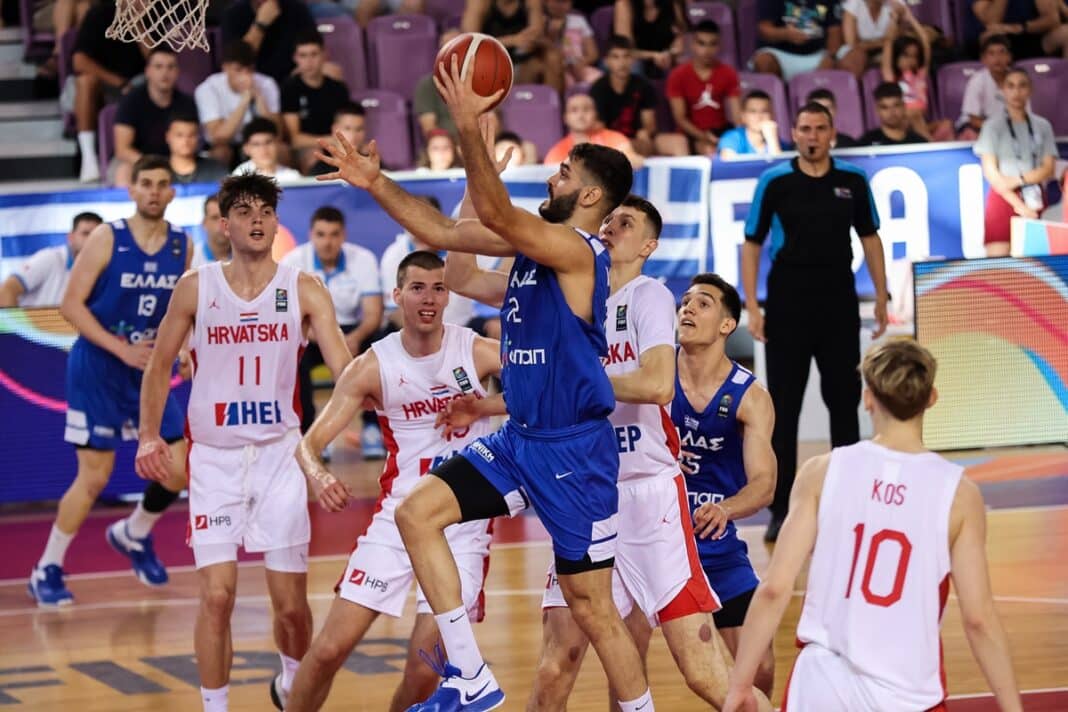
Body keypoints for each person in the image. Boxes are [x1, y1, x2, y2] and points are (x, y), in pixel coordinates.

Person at [315, 55, 649, 709]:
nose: (551, 177)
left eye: (564, 173)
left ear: (589, 197)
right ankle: (470, 676)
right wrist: (376, 182)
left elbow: (497, 212)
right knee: (417, 513)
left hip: (574, 454)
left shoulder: (577, 251)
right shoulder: (531, 258)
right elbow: (453, 253)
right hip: (520, 441)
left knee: (592, 608)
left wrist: (468, 126)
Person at [134, 172, 352, 712]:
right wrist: (147, 436)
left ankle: (292, 686)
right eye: (245, 212)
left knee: (291, 608)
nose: (257, 220)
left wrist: (326, 444)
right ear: (224, 225)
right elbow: (159, 365)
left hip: (281, 457)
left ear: (276, 224)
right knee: (217, 596)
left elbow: (348, 376)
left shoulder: (304, 288)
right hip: (214, 461)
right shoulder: (196, 287)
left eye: (266, 212)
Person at [723, 339, 1024, 712]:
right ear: (931, 398)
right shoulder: (959, 494)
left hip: (821, 684)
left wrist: (740, 685)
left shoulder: (821, 471)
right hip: (904, 692)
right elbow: (978, 620)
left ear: (868, 398)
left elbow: (774, 589)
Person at [285, 251, 502, 712]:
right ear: (397, 295)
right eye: (418, 288)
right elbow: (309, 444)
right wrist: (320, 476)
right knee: (327, 650)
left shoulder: (476, 350)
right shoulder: (372, 365)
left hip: (461, 527)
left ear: (449, 296)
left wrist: (483, 407)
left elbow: (544, 392)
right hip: (398, 520)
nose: (429, 298)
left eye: (439, 288)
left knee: (424, 669)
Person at [27, 156, 193, 607]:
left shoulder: (182, 246)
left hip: (147, 369)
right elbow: (70, 305)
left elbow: (181, 310)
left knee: (179, 469)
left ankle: (134, 532)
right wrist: (120, 350)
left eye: (162, 184)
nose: (154, 191)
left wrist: (183, 348)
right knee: (94, 477)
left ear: (172, 192)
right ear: (132, 190)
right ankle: (46, 568)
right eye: (146, 183)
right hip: (99, 367)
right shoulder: (107, 238)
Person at [742, 102, 888, 542]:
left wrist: (882, 297)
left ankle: (848, 504)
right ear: (794, 132)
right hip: (787, 304)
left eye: (820, 128)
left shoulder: (853, 180)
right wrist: (753, 306)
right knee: (783, 409)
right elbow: (752, 243)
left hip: (839, 302)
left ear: (832, 132)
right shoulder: (775, 181)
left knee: (844, 404)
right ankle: (781, 509)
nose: (812, 136)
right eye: (805, 128)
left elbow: (871, 238)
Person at [672, 273, 777, 696]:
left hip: (713, 545)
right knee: (626, 657)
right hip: (655, 542)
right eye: (685, 301)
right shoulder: (654, 377)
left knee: (760, 666)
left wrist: (725, 509)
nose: (688, 308)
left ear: (727, 325)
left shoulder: (749, 396)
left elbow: (764, 484)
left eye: (703, 303)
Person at [280, 206, 383, 443]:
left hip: (353, 332)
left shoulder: (364, 259)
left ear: (343, 235)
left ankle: (373, 429)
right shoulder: (292, 263)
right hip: (311, 334)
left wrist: (354, 338)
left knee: (381, 347)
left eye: (334, 234)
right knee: (292, 355)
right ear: (311, 235)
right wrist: (326, 338)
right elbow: (288, 317)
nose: (327, 242)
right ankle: (308, 432)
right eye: (321, 234)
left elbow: (373, 314)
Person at [974, 67, 1057, 257]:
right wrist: (1018, 205)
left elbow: (1048, 168)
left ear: (1030, 90)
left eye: (1022, 86)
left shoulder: (1042, 125)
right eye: (1010, 86)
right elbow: (991, 173)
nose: (1016, 92)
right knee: (998, 262)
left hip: (1033, 195)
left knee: (1039, 264)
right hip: (1003, 197)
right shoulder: (992, 126)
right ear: (1003, 90)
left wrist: (1019, 180)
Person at [71, 0, 148, 182]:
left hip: (140, 83)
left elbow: (157, 60)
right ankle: (89, 158)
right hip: (105, 83)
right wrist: (119, 83)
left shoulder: (156, 16)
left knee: (158, 77)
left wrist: (137, 25)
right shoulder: (100, 14)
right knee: (85, 82)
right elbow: (79, 62)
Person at [111, 47, 199, 187]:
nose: (165, 73)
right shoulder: (130, 102)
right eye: (158, 66)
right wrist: (155, 166)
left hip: (177, 161)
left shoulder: (187, 103)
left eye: (170, 67)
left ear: (178, 72)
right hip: (138, 161)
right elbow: (122, 150)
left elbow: (193, 140)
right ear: (148, 71)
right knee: (123, 171)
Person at [591, 35, 687, 157]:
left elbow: (649, 123)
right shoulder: (598, 88)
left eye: (626, 56)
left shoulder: (643, 85)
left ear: (632, 60)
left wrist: (645, 131)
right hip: (611, 143)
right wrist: (622, 142)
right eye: (616, 57)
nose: (622, 63)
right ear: (607, 61)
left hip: (640, 141)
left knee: (679, 142)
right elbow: (599, 128)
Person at [195, 41, 281, 167]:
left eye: (249, 70)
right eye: (238, 70)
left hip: (257, 143)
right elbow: (218, 137)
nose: (245, 76)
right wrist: (244, 101)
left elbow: (277, 133)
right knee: (220, 153)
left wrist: (259, 98)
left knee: (281, 150)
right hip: (226, 145)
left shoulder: (267, 84)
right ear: (225, 68)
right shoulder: (208, 88)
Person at [281, 28, 351, 173]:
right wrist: (329, 141)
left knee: (361, 151)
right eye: (303, 55)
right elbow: (295, 139)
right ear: (295, 58)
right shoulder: (290, 88)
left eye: (314, 54)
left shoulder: (338, 88)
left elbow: (346, 123)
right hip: (307, 147)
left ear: (324, 55)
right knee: (313, 155)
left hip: (336, 142)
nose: (309, 61)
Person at [666, 21, 742, 156]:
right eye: (701, 43)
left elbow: (737, 117)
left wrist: (737, 138)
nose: (707, 50)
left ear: (719, 46)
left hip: (720, 132)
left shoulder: (728, 73)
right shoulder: (678, 75)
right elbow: (680, 118)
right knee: (707, 150)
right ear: (693, 44)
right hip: (690, 134)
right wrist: (703, 136)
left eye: (712, 44)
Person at [879, 4, 953, 141]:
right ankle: (929, 145)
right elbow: (888, 42)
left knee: (946, 124)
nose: (911, 60)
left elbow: (925, 43)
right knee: (914, 117)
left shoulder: (920, 74)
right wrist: (894, 20)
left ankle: (932, 145)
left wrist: (911, 18)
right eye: (906, 56)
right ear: (896, 57)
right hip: (903, 124)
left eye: (914, 56)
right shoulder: (892, 78)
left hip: (920, 122)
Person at [0, 212, 102, 308]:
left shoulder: (103, 269)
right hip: (35, 321)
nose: (91, 239)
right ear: (71, 237)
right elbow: (6, 291)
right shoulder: (50, 258)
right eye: (85, 233)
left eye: (96, 235)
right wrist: (18, 322)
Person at [463, 0, 565, 92]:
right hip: (490, 60)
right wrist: (512, 40)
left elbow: (536, 32)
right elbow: (470, 41)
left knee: (553, 57)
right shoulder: (479, 3)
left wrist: (531, 39)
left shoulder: (532, 2)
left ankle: (553, 103)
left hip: (522, 59)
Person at [752, 0, 866, 81]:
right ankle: (777, 103)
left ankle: (841, 103)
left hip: (819, 55)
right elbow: (763, 29)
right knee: (764, 62)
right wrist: (785, 34)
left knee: (856, 57)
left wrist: (830, 57)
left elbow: (834, 33)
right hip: (782, 55)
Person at [221, 0, 318, 85]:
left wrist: (303, 71)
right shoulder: (233, 14)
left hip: (292, 82)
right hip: (251, 83)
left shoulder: (297, 10)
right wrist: (260, 24)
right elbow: (236, 61)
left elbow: (315, 49)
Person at [543, 93, 643, 167]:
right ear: (565, 118)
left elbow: (632, 160)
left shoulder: (614, 138)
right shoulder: (556, 152)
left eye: (586, 109)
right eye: (574, 110)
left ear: (596, 114)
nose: (581, 115)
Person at [969, 0, 1068, 59]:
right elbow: (992, 22)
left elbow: (1052, 20)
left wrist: (1020, 27)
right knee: (989, 36)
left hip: (1033, 34)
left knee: (1066, 32)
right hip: (1001, 38)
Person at [957, 34, 1013, 140]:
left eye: (1002, 52)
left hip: (1005, 128)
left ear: (1009, 57)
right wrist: (998, 131)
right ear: (983, 59)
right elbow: (973, 119)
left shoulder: (1017, 80)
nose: (997, 58)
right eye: (991, 54)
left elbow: (1023, 115)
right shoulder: (977, 81)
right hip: (975, 126)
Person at [613, 0, 688, 79]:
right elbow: (624, 49)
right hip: (633, 57)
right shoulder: (624, 4)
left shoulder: (673, 3)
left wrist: (671, 52)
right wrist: (654, 56)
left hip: (663, 57)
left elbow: (679, 38)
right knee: (632, 67)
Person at [544, 0, 602, 87]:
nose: (559, 5)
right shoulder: (541, 23)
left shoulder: (579, 21)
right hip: (557, 70)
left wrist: (581, 63)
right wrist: (553, 35)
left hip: (580, 66)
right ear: (546, 2)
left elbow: (593, 54)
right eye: (556, 1)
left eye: (564, 2)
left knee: (597, 80)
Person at [717, 90, 783, 159]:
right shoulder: (732, 138)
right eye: (753, 111)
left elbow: (780, 165)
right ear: (743, 116)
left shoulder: (778, 143)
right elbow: (730, 163)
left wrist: (772, 140)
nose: (759, 116)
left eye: (764, 111)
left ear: (772, 115)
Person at [166, 115, 230, 185]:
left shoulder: (216, 169)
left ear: (199, 137)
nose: (186, 141)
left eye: (191, 135)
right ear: (168, 137)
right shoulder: (159, 170)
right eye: (179, 135)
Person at [858, 82, 929, 146]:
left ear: (904, 107)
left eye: (896, 105)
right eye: (884, 107)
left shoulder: (918, 143)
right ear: (877, 110)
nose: (891, 112)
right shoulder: (866, 143)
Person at [231, 117, 302, 180]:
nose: (263, 149)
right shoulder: (239, 177)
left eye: (268, 142)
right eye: (256, 144)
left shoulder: (293, 177)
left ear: (278, 144)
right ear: (246, 149)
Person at [308, 103, 368, 176]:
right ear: (334, 129)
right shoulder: (319, 170)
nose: (353, 135)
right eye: (347, 128)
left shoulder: (372, 165)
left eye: (359, 129)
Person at [191, 194, 231, 267]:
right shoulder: (192, 259)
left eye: (225, 217)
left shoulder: (246, 257)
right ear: (204, 223)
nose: (222, 223)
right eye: (215, 218)